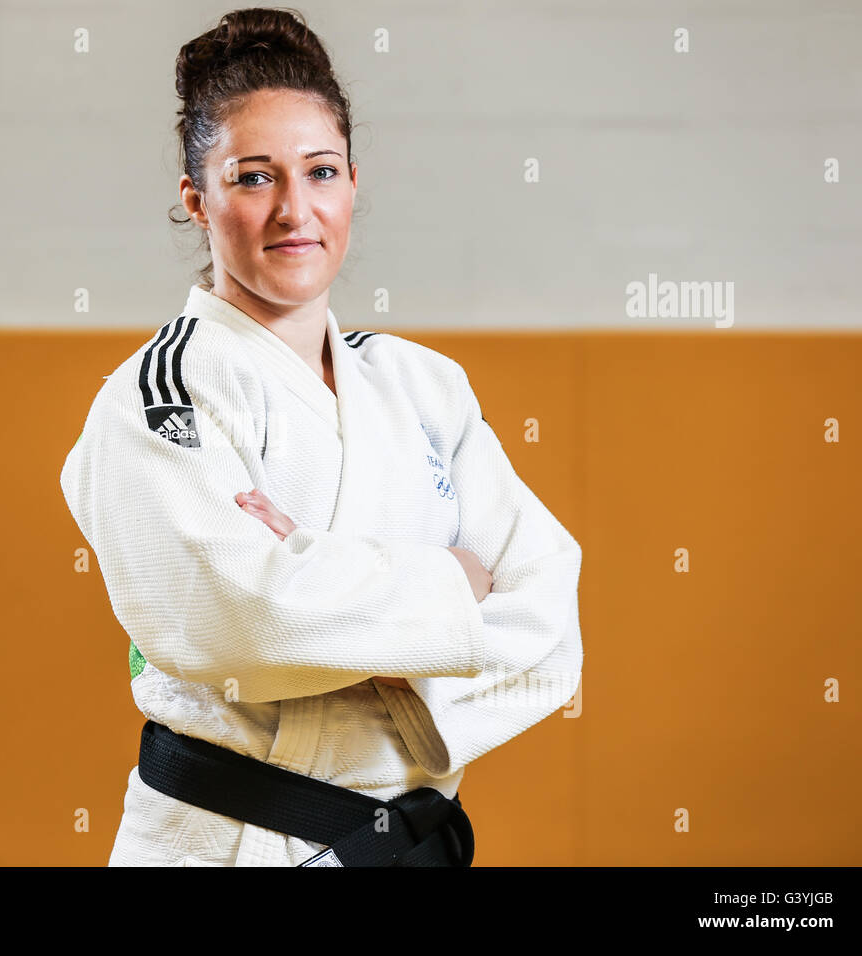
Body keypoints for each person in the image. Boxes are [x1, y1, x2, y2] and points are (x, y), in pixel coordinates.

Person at [59, 7, 583, 867]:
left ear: (351, 183)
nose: (295, 211)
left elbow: (549, 623)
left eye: (322, 172)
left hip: (400, 841)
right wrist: (452, 582)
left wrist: (320, 581)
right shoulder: (159, 395)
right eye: (254, 178)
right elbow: (245, 624)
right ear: (198, 201)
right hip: (229, 841)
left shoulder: (423, 386)